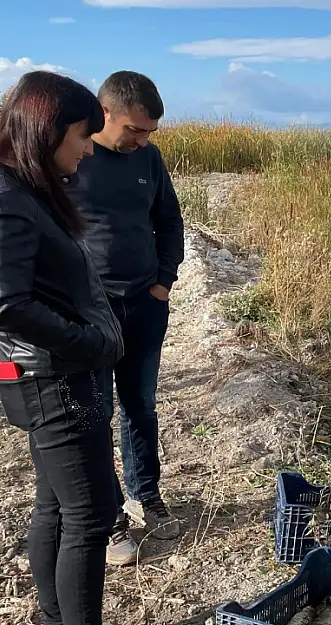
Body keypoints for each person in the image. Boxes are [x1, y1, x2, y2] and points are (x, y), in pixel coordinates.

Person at [0, 70, 125, 625]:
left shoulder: (27, 191)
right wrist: (86, 343)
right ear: (43, 131)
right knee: (92, 515)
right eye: (80, 136)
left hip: (48, 377)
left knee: (57, 504)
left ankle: (54, 617)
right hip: (53, 380)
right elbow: (6, 302)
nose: (87, 151)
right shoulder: (10, 199)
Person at [65, 70, 185, 566]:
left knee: (140, 403)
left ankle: (146, 495)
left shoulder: (149, 160)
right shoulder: (69, 158)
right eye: (134, 129)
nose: (141, 140)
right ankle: (112, 518)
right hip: (85, 313)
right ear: (105, 112)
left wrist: (163, 282)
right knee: (93, 414)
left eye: (150, 132)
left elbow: (169, 220)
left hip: (142, 302)